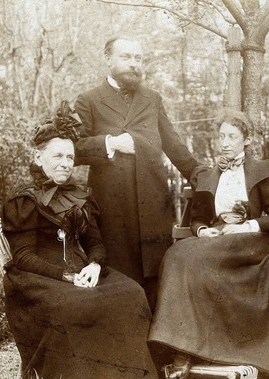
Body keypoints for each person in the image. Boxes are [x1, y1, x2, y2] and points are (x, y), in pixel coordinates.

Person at [148, 109, 269, 379]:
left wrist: (246, 226)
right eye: (222, 136)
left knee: (184, 258)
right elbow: (197, 218)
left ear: (246, 140)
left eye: (232, 136)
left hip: (250, 242)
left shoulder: (264, 170)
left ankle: (187, 353)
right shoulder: (208, 175)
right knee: (176, 255)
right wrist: (203, 230)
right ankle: (182, 348)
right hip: (217, 243)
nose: (225, 142)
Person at [1, 102, 157, 379]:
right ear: (38, 157)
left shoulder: (79, 196)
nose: (64, 163)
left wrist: (95, 265)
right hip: (37, 277)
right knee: (74, 305)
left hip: (80, 271)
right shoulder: (24, 200)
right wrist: (66, 276)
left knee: (132, 293)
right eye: (57, 156)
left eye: (70, 157)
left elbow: (95, 243)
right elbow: (23, 257)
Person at [74, 36, 200, 307]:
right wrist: (111, 143)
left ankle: (159, 347)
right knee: (118, 282)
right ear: (108, 59)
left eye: (138, 58)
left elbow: (174, 145)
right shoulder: (88, 101)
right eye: (126, 57)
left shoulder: (152, 99)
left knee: (156, 282)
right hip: (112, 209)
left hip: (154, 205)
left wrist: (205, 175)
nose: (134, 64)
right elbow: (73, 148)